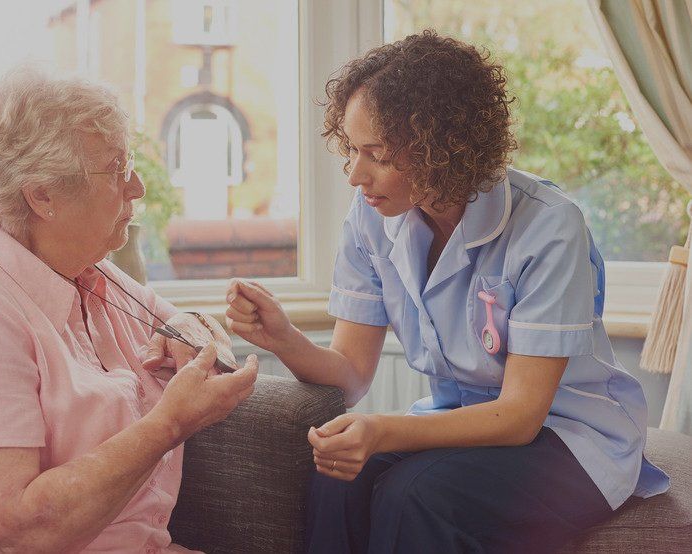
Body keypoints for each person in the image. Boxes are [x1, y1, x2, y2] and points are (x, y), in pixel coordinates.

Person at [225, 30, 669, 553]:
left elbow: (521, 416)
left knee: (414, 494)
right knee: (338, 477)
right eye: (351, 149)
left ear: (442, 146)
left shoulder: (549, 227)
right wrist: (283, 338)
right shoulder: (372, 219)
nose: (355, 174)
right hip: (460, 427)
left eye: (378, 154)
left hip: (568, 439)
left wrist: (383, 432)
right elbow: (349, 374)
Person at [0, 66, 257, 554]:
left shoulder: (91, 273)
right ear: (42, 194)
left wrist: (190, 328)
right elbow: (7, 531)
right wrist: (169, 423)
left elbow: (190, 326)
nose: (137, 189)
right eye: (116, 169)